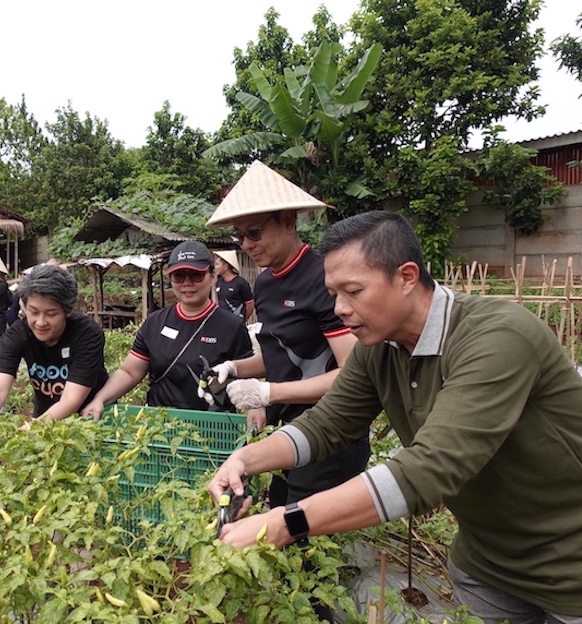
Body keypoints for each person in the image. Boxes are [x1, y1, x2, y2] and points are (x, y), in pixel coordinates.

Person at [209, 211, 582, 624]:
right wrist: (246, 461)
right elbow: (329, 423)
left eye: (353, 291)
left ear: (406, 278)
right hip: (488, 559)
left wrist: (287, 521)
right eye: (333, 294)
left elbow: (432, 468)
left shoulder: (496, 336)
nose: (339, 308)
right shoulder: (377, 348)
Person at [203, 161, 369, 510]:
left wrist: (268, 392)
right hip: (288, 431)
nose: (246, 244)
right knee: (278, 513)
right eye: (240, 236)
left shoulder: (323, 278)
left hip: (331, 433)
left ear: (289, 221)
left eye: (254, 233)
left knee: (306, 538)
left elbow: (354, 376)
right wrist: (235, 368)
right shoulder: (264, 282)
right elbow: (285, 354)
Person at [81, 241, 254, 418]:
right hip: (160, 426)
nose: (187, 283)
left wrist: (257, 408)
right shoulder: (155, 322)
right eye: (179, 276)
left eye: (196, 275)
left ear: (212, 276)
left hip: (214, 427)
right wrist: (99, 399)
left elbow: (249, 375)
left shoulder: (232, 326)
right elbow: (129, 372)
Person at [0, 264, 108, 430]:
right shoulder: (18, 334)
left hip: (88, 422)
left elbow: (70, 400)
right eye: (34, 312)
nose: (41, 322)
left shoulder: (87, 334)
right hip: (44, 421)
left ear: (68, 311)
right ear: (24, 306)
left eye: (51, 314)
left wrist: (23, 435)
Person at [213, 250, 254, 321]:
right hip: (222, 321)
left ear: (225, 266)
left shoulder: (241, 283)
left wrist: (243, 319)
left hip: (236, 321)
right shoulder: (219, 282)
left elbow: (250, 304)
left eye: (217, 264)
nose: (215, 267)